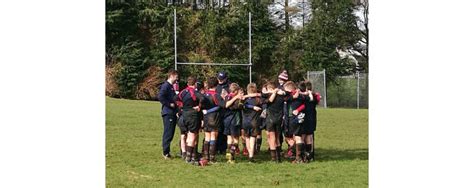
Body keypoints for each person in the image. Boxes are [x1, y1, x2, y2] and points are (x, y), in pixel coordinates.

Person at [175, 76, 204, 165]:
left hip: (184, 115)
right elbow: (203, 98)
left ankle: (187, 156)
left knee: (185, 135)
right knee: (192, 136)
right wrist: (199, 106)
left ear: (187, 83)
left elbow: (175, 98)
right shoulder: (195, 92)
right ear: (195, 84)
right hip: (192, 115)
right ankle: (189, 158)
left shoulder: (183, 92)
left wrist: (181, 107)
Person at [201, 77, 225, 164]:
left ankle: (206, 156)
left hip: (206, 118)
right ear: (216, 85)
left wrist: (206, 112)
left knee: (207, 137)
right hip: (214, 118)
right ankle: (212, 158)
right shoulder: (216, 95)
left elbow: (201, 107)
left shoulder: (204, 95)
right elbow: (222, 105)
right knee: (213, 137)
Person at [283, 81, 308, 163]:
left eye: (286, 90)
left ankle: (299, 158)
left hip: (296, 118)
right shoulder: (292, 96)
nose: (284, 92)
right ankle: (303, 155)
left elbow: (304, 104)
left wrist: (298, 110)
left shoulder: (298, 95)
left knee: (297, 137)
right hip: (292, 119)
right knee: (294, 137)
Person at [157, 70, 179, 159]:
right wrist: (169, 104)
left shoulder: (171, 86)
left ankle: (167, 152)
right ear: (172, 76)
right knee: (168, 133)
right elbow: (160, 96)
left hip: (172, 112)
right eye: (176, 77)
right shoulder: (166, 86)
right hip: (168, 113)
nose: (177, 79)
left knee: (171, 132)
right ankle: (165, 152)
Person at [263, 82, 287, 162]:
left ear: (270, 89)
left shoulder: (269, 96)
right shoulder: (281, 96)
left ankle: (273, 158)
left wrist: (273, 92)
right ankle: (279, 157)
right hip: (279, 119)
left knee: (272, 138)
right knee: (277, 138)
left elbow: (268, 99)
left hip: (271, 118)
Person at [223, 83, 244, 163]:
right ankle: (232, 156)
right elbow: (228, 105)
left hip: (227, 120)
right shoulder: (236, 98)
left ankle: (228, 157)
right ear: (235, 91)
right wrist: (240, 99)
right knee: (235, 140)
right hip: (235, 120)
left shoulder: (227, 96)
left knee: (229, 139)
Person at [242, 83, 263, 162]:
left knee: (247, 138)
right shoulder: (258, 100)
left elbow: (242, 105)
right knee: (253, 138)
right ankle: (251, 155)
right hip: (254, 121)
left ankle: (250, 153)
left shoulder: (244, 100)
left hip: (245, 121)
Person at [300, 81, 321, 162]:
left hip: (304, 117)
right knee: (309, 136)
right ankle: (310, 155)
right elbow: (317, 99)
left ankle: (303, 155)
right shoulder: (314, 96)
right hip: (312, 118)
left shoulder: (303, 96)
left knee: (303, 137)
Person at [216, 72, 230, 154]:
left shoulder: (229, 86)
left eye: (221, 79)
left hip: (227, 111)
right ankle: (216, 147)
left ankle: (223, 148)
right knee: (218, 130)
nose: (220, 81)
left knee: (225, 131)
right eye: (219, 79)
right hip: (218, 111)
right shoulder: (216, 86)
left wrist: (227, 96)